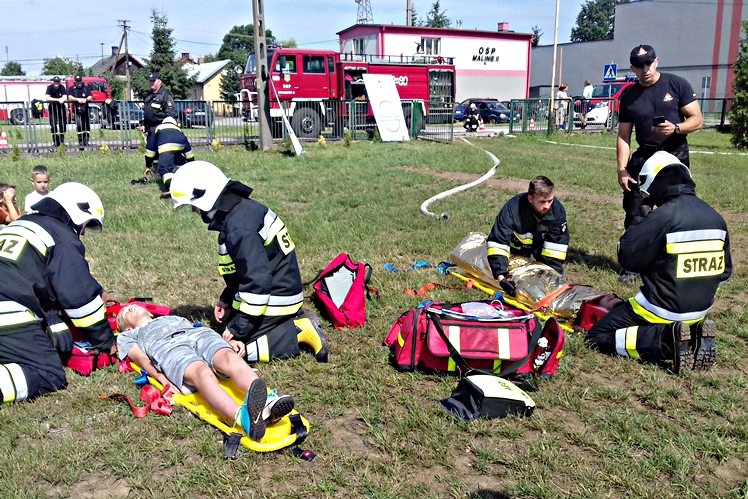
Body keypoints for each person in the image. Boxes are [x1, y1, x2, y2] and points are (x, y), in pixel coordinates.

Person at [169, 161, 329, 364]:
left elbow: (257, 283)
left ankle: (297, 331)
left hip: (276, 298)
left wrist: (239, 328)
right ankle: (283, 323)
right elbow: (244, 270)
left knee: (233, 351)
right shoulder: (240, 212)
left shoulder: (238, 227)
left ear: (205, 197)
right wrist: (227, 298)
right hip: (276, 290)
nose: (194, 211)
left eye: (193, 206)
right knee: (230, 335)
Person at [587, 152, 731, 374]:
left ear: (654, 184)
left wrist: (637, 218)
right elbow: (724, 273)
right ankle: (692, 335)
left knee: (597, 336)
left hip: (659, 309)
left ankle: (666, 340)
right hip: (700, 311)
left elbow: (627, 256)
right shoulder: (716, 218)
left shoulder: (663, 216)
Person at [0, 182, 116, 404]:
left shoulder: (23, 224)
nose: (81, 234)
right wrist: (106, 341)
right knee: (48, 374)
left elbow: (37, 276)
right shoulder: (62, 235)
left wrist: (98, 292)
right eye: (84, 227)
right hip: (6, 312)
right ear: (75, 214)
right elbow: (78, 300)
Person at [116, 303, 295, 441]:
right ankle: (243, 417)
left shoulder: (172, 318)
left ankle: (268, 403)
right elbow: (141, 359)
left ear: (150, 313)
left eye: (134, 306)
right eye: (126, 312)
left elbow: (196, 329)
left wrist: (228, 344)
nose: (131, 307)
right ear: (128, 327)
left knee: (230, 358)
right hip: (167, 348)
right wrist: (161, 377)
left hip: (198, 335)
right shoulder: (128, 336)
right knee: (202, 373)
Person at [617, 45, 703, 283]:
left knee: (680, 210)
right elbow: (624, 136)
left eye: (649, 63)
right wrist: (622, 170)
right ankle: (633, 264)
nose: (645, 69)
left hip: (674, 155)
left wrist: (676, 128)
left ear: (656, 62)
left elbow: (697, 120)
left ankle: (680, 261)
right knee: (636, 213)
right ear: (632, 68)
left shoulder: (677, 85)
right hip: (644, 157)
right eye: (639, 65)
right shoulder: (629, 96)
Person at [487, 176, 570, 282]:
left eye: (550, 201)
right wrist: (501, 276)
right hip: (513, 250)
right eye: (542, 201)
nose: (547, 206)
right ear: (530, 198)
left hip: (538, 253)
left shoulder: (557, 212)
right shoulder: (511, 210)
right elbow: (498, 243)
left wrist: (554, 277)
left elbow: (555, 250)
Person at [144, 116, 195, 195]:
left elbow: (150, 150)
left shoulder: (159, 128)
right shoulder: (178, 129)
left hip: (166, 148)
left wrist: (148, 166)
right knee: (180, 164)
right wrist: (192, 165)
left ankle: (172, 189)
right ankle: (187, 182)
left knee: (165, 170)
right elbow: (188, 151)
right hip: (180, 146)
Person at [141, 72, 175, 139]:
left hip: (161, 130)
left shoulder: (165, 95)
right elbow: (147, 111)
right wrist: (143, 124)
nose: (151, 83)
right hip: (150, 130)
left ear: (159, 82)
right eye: (150, 81)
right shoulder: (149, 95)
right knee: (150, 149)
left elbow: (170, 114)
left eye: (153, 81)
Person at [67, 75, 92, 150]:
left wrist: (86, 99)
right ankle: (80, 142)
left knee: (86, 126)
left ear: (81, 81)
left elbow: (90, 96)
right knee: (79, 125)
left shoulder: (85, 88)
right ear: (75, 81)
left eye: (80, 81)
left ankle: (86, 141)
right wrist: (77, 99)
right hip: (77, 109)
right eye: (77, 81)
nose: (79, 83)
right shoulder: (72, 88)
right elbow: (70, 97)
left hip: (86, 108)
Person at [45, 76, 67, 148]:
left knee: (62, 125)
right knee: (53, 125)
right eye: (55, 82)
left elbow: (65, 97)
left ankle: (62, 141)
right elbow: (47, 97)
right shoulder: (50, 88)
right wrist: (58, 100)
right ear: (53, 82)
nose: (56, 83)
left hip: (61, 109)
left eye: (58, 82)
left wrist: (62, 99)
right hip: (53, 109)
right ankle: (55, 141)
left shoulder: (62, 87)